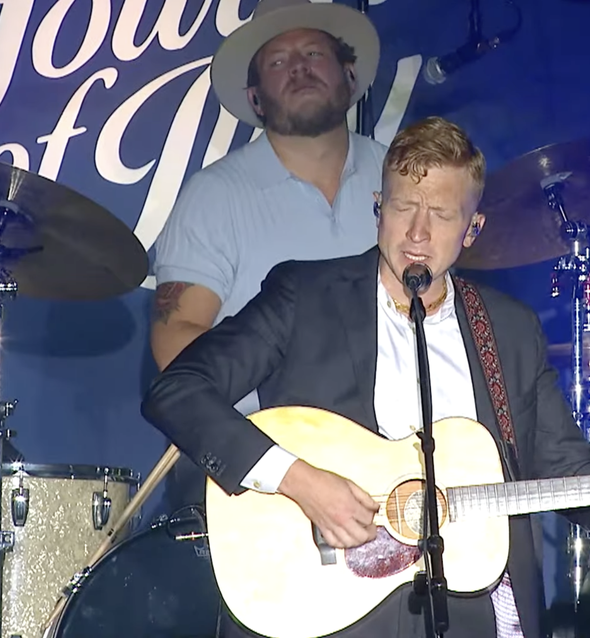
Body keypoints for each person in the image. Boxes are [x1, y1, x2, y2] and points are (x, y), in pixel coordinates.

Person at [140, 117, 590, 638]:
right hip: (322, 598)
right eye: (404, 208)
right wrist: (300, 480)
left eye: (442, 215)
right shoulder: (303, 295)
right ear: (379, 208)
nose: (417, 234)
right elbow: (177, 391)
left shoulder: (508, 329)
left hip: (469, 602)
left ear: (472, 229)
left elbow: (565, 470)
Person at [149, 0, 387, 510]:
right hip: (265, 470)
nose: (299, 67)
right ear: (255, 99)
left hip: (392, 454)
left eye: (314, 53)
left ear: (350, 76)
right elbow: (176, 340)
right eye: (278, 61)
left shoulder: (401, 178)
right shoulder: (215, 194)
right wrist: (282, 438)